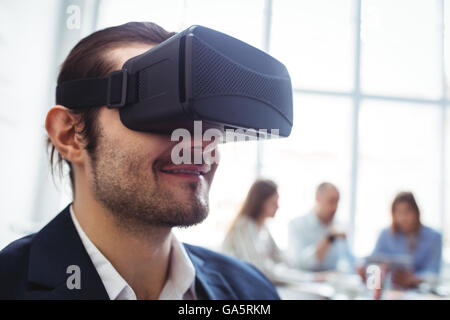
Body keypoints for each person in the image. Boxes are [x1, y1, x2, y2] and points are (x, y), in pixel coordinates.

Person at [0, 22, 279, 300]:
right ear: (70, 135)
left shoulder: (250, 290)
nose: (199, 144)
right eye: (165, 113)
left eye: (211, 124)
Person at [222, 179, 294, 283]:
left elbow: (282, 259)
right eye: (274, 202)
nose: (278, 206)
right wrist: (308, 278)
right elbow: (259, 270)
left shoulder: (263, 227)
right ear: (261, 202)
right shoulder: (243, 226)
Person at [370, 191, 442, 289]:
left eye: (407, 212)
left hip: (420, 291)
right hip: (390, 289)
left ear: (416, 212)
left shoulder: (434, 237)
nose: (403, 217)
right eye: (398, 212)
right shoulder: (385, 234)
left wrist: (415, 278)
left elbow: (434, 271)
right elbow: (373, 260)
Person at [288, 182, 350, 271]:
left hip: (335, 281)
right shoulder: (297, 225)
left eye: (337, 202)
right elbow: (299, 264)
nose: (335, 207)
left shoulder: (339, 227)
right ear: (317, 198)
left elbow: (347, 260)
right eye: (331, 201)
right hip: (308, 282)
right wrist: (328, 239)